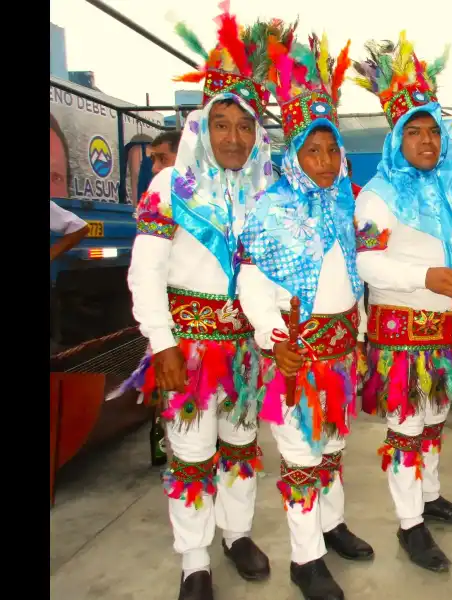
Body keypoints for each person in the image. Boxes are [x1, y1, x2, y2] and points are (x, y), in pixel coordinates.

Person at [119, 11, 280, 600]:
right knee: (191, 455)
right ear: (201, 129)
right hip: (187, 349)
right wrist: (160, 343)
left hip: (247, 350)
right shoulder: (170, 188)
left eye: (244, 126)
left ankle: (237, 534)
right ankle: (194, 560)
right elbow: (146, 272)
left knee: (240, 446)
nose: (233, 137)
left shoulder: (266, 193)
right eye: (222, 124)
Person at [238, 26, 374, 600]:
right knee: (300, 457)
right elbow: (251, 285)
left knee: (335, 446)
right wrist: (274, 340)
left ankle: (332, 524)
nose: (323, 160)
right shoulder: (271, 208)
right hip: (295, 353)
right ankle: (305, 558)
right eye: (311, 150)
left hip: (341, 350)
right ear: (293, 155)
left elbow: (353, 280)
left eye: (330, 148)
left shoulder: (342, 204)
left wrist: (361, 334)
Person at [351, 32, 452, 573]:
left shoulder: (451, 188)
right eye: (414, 132)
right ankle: (410, 525)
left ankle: (429, 497)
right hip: (400, 325)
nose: (426, 141)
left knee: (431, 417)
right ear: (397, 138)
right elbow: (366, 263)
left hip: (441, 326)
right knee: (406, 426)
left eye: (433, 131)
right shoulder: (379, 193)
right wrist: (426, 275)